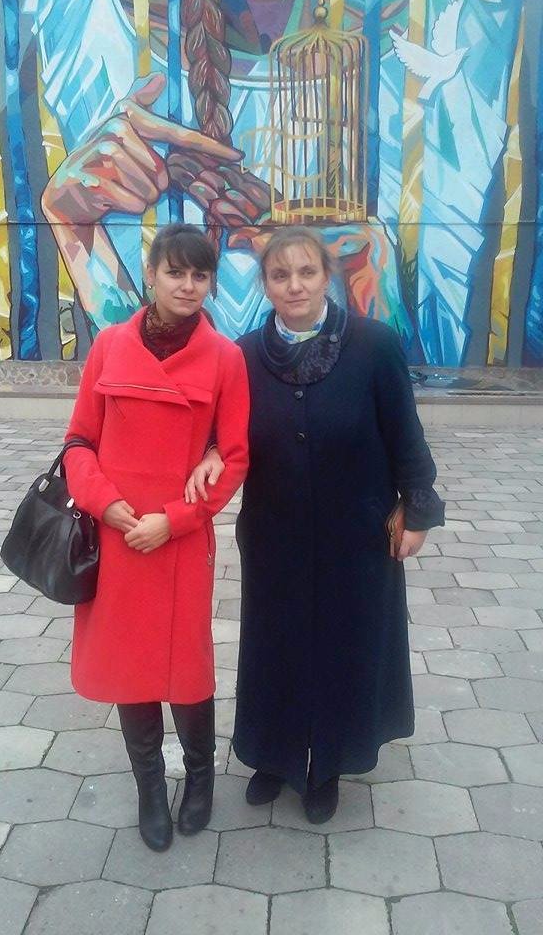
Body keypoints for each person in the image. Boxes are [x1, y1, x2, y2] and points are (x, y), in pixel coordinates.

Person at [186, 226, 445, 824]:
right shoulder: (243, 355)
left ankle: (327, 764)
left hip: (357, 534)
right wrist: (210, 452)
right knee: (273, 646)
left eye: (306, 272)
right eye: (281, 275)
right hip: (273, 532)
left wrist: (418, 508)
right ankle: (273, 758)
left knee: (343, 646)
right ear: (266, 285)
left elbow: (405, 432)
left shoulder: (374, 345)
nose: (295, 285)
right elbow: (223, 431)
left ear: (327, 277)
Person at [63, 224, 249, 851]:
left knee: (188, 669)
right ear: (150, 275)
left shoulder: (225, 358)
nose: (187, 285)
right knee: (130, 666)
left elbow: (236, 456)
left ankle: (200, 778)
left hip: (179, 539)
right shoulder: (109, 346)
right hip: (117, 539)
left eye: (200, 275)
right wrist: (106, 504)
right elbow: (78, 441)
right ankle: (149, 786)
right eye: (175, 272)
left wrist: (178, 518)